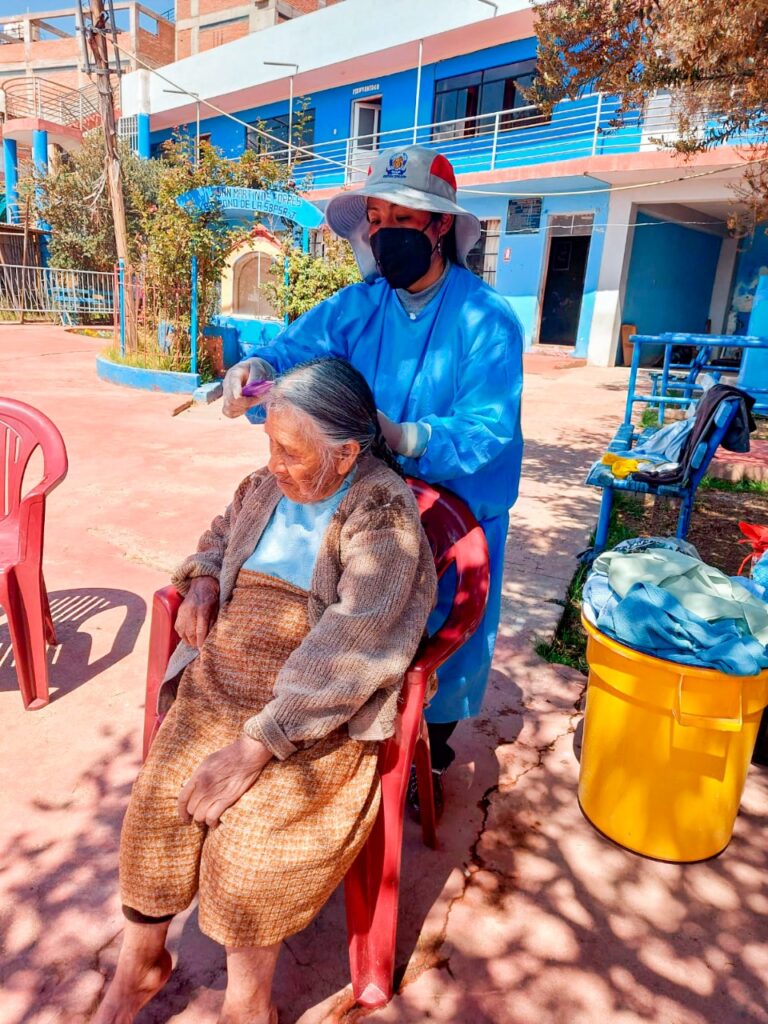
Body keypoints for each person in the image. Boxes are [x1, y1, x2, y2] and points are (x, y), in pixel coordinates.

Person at [94, 358, 437, 1024]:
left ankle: (248, 1005)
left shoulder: (382, 513)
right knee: (159, 803)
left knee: (251, 848)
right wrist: (203, 581)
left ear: (346, 454)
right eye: (270, 445)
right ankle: (140, 965)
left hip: (315, 709)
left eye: (291, 452)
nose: (274, 464)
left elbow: (358, 639)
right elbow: (221, 535)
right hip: (221, 678)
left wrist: (258, 744)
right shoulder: (265, 486)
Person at [223, 144, 524, 813]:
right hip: (370, 505)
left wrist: (407, 437)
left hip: (456, 512)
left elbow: (487, 426)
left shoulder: (486, 320)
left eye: (403, 220)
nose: (386, 235)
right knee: (356, 612)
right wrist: (257, 372)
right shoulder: (357, 307)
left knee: (439, 643)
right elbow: (291, 355)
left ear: (440, 226)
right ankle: (334, 720)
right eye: (377, 220)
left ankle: (430, 750)